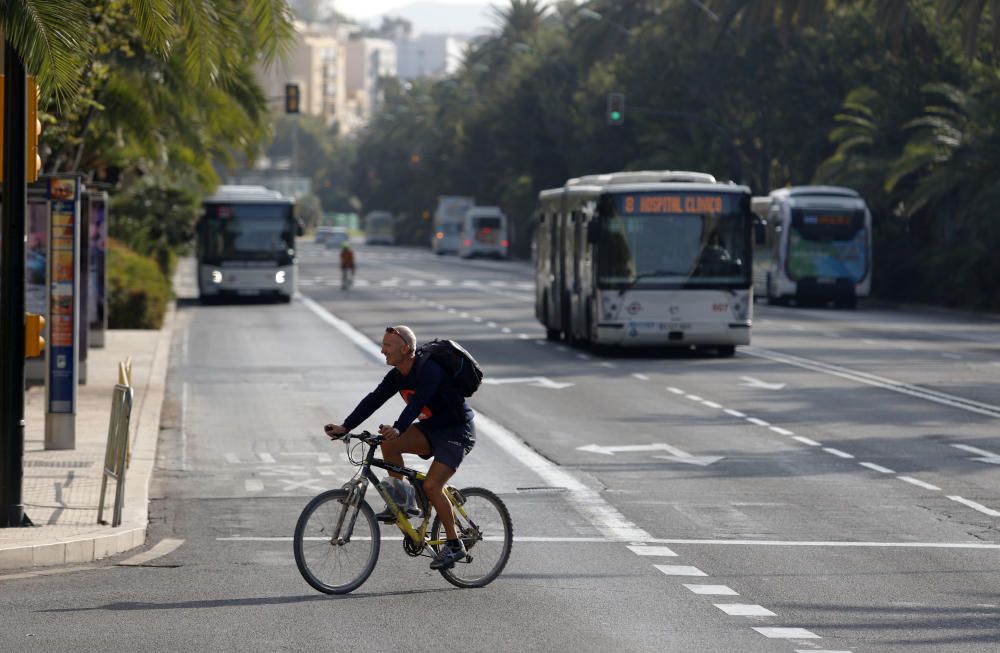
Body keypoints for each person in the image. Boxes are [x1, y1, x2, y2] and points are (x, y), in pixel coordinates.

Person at [324, 325, 476, 571]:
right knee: (388, 444)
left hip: (457, 431)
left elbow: (417, 403)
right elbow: (374, 399)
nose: (383, 350)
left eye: (387, 345)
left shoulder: (429, 370)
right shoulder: (397, 374)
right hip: (432, 429)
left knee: (431, 486)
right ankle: (404, 502)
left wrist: (398, 427)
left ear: (405, 348)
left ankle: (454, 543)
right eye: (383, 345)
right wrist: (345, 426)